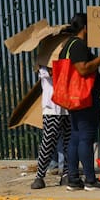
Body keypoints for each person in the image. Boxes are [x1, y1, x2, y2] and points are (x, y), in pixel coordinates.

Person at [60, 12, 100, 191]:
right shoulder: (78, 46)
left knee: (75, 137)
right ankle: (90, 179)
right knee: (85, 138)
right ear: (85, 28)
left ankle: (74, 179)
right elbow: (83, 69)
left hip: (73, 99)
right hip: (84, 99)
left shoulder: (67, 45)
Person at [30, 37, 70, 189]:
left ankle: (66, 173)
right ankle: (40, 176)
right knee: (48, 141)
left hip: (67, 107)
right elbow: (53, 74)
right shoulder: (43, 65)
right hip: (52, 108)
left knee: (68, 142)